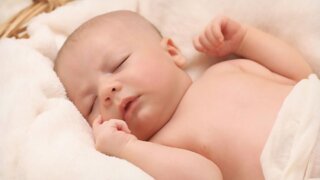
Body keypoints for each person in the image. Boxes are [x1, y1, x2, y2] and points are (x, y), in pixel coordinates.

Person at [54, 10, 314, 180]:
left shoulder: (224, 69)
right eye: (92, 103)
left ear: (171, 51)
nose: (106, 91)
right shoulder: (159, 147)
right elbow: (206, 176)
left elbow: (299, 75)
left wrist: (245, 39)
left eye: (119, 64)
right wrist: (126, 148)